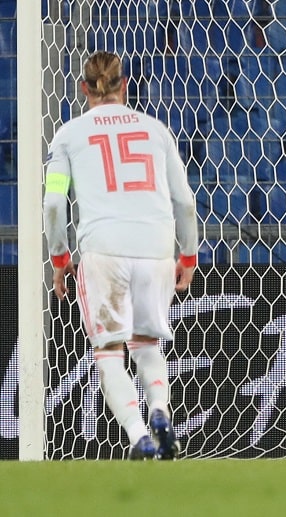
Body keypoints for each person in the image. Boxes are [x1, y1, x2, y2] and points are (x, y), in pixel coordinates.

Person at [43, 51, 199, 460]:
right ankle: (161, 412)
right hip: (157, 248)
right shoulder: (156, 130)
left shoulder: (69, 135)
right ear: (125, 85)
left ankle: (137, 436)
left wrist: (60, 260)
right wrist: (189, 256)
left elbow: (54, 205)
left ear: (83, 89)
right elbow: (185, 201)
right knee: (146, 345)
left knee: (109, 352)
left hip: (104, 250)